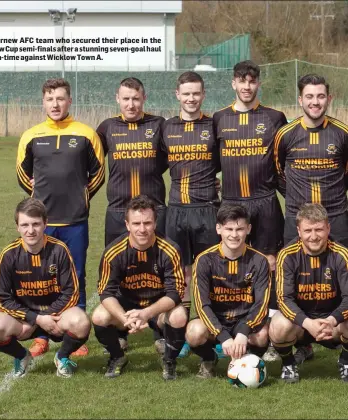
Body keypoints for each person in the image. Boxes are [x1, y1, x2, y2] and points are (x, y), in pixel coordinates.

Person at [16, 78, 105, 357]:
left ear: (69, 101)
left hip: (75, 221)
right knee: (39, 278)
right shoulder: (31, 135)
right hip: (41, 225)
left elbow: (98, 173)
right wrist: (38, 203)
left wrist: (80, 196)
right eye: (50, 99)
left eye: (60, 98)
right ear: (43, 102)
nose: (55, 104)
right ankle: (41, 335)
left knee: (74, 277)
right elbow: (22, 173)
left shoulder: (86, 134)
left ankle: (73, 335)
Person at [213, 60, 288, 361]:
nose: (246, 86)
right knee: (233, 265)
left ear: (258, 84)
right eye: (241, 81)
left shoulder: (274, 117)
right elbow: (211, 163)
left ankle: (269, 336)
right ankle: (230, 330)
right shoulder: (219, 118)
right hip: (231, 203)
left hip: (265, 201)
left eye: (252, 81)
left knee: (269, 265)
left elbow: (284, 162)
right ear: (233, 83)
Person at [274, 74, 348, 362]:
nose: (315, 102)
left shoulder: (342, 133)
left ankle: (340, 339)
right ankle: (301, 341)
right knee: (294, 277)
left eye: (320, 96)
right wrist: (299, 205)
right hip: (296, 218)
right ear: (300, 100)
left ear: (329, 99)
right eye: (309, 96)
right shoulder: (286, 134)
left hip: (337, 217)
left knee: (339, 279)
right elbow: (278, 172)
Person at [96, 77, 168, 351]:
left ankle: (159, 328)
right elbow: (90, 162)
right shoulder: (107, 128)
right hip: (117, 211)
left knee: (157, 270)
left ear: (144, 99)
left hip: (154, 211)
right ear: (117, 99)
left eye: (136, 98)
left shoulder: (158, 125)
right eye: (126, 99)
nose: (131, 104)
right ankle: (122, 326)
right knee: (118, 271)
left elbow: (170, 159)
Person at [0, 198, 91, 378]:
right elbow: (1, 299)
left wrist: (46, 317)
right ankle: (22, 356)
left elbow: (71, 293)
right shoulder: (9, 254)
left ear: (45, 224)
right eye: (25, 225)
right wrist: (36, 319)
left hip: (56, 317)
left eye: (36, 224)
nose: (31, 230)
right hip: (24, 319)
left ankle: (62, 356)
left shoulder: (59, 250)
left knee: (81, 322)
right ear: (17, 226)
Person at [92, 195, 187, 380]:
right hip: (126, 308)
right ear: (127, 224)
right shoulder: (113, 252)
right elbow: (105, 292)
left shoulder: (170, 249)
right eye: (136, 223)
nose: (142, 229)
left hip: (157, 308)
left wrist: (146, 314)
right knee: (99, 315)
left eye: (147, 223)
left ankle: (169, 361)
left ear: (155, 223)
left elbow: (175, 293)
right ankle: (117, 357)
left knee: (179, 315)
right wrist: (125, 318)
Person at [161, 71, 221, 358]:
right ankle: (181, 335)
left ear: (203, 94)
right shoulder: (166, 128)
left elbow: (225, 162)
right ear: (177, 95)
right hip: (176, 211)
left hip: (207, 209)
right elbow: (156, 163)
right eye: (186, 93)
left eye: (196, 93)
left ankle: (217, 332)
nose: (191, 98)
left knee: (211, 271)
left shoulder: (214, 125)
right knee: (181, 274)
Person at [186, 204, 271, 378]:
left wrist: (244, 331)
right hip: (217, 320)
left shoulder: (260, 261)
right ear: (219, 229)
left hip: (245, 319)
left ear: (248, 229)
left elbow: (261, 304)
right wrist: (222, 335)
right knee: (194, 332)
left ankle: (248, 362)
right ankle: (209, 359)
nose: (234, 235)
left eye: (239, 229)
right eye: (229, 229)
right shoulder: (204, 260)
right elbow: (202, 305)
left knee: (263, 335)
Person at [269, 203, 348, 383]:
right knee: (279, 324)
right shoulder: (287, 255)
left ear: (328, 228)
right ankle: (288, 363)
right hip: (301, 323)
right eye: (308, 230)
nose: (313, 236)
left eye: (319, 229)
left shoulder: (342, 254)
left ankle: (345, 361)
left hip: (332, 324)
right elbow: (283, 299)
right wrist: (307, 323)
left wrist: (332, 320)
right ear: (298, 231)